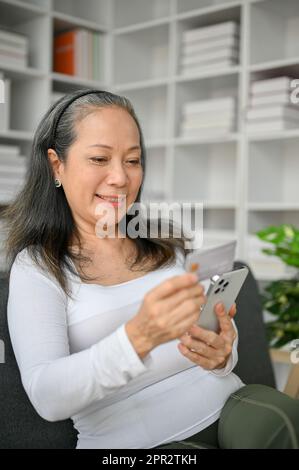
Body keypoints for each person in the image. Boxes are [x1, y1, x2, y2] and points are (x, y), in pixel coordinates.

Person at [3, 90, 299, 449]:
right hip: (134, 441)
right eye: (99, 158)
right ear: (56, 165)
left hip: (230, 408)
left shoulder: (165, 245)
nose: (120, 178)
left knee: (280, 417)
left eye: (132, 160)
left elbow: (220, 350)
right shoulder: (38, 266)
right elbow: (47, 396)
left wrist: (222, 353)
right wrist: (138, 337)